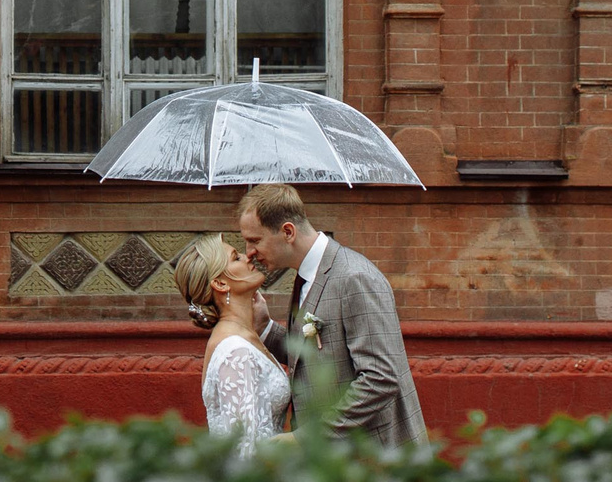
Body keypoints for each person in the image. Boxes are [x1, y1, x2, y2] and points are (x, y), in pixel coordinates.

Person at [237, 183, 427, 445]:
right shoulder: (305, 276)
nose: (249, 253)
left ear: (288, 232)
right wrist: (265, 328)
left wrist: (305, 438)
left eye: (254, 240)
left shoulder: (354, 278)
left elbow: (380, 378)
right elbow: (317, 357)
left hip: (376, 460)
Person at [170, 233, 288, 457]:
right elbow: (244, 450)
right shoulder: (235, 351)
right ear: (220, 283)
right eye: (235, 258)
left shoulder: (245, 337)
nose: (247, 257)